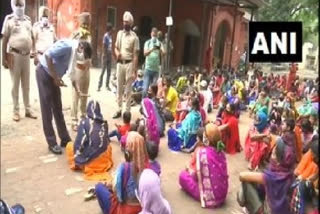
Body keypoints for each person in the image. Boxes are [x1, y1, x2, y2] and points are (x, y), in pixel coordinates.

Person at [36, 39, 92, 154]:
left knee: (57, 107)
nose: (82, 59)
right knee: (47, 109)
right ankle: (51, 142)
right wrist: (55, 78)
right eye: (84, 56)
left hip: (53, 76)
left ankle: (65, 139)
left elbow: (71, 73)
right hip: (44, 73)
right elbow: (47, 56)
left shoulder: (75, 52)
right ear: (81, 47)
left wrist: (77, 89)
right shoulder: (67, 47)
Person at [238, 136, 295, 214]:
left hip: (270, 211)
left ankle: (252, 209)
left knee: (246, 183)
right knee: (259, 182)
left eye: (274, 154)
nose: (271, 154)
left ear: (279, 162)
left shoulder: (272, 176)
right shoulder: (290, 174)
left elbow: (242, 176)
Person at [95, 131, 148, 214]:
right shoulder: (149, 169)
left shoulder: (125, 167)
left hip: (126, 209)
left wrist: (110, 186)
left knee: (99, 187)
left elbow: (117, 192)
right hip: (142, 207)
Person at [2, 0, 37, 121]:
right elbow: (5, 39)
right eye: (16, 4)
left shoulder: (28, 20)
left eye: (21, 4)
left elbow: (32, 36)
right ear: (12, 5)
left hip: (26, 56)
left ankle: (28, 109)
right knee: (15, 84)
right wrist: (3, 58)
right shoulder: (9, 19)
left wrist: (34, 51)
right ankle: (16, 111)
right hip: (14, 55)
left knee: (26, 85)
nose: (19, 7)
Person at [179, 123, 228, 209]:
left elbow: (194, 176)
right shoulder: (221, 151)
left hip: (211, 197)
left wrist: (188, 168)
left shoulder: (202, 153)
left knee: (182, 176)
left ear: (207, 138)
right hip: (223, 194)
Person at [66, 100, 113, 181]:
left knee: (70, 146)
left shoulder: (84, 122)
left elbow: (79, 143)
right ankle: (100, 163)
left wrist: (79, 158)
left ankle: (87, 164)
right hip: (103, 160)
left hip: (91, 162)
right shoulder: (104, 123)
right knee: (108, 147)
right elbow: (106, 141)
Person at [113, 11, 140, 119]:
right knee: (119, 87)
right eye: (124, 22)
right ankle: (118, 109)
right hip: (120, 63)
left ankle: (127, 111)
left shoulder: (135, 37)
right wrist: (117, 53)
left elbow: (135, 55)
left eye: (127, 22)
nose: (125, 24)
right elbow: (116, 47)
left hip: (129, 64)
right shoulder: (120, 34)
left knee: (128, 89)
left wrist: (134, 70)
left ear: (131, 24)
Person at [70, 12, 92, 131]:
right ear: (80, 23)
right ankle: (74, 120)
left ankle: (83, 117)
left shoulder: (89, 36)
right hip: (78, 69)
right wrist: (78, 36)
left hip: (87, 70)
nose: (86, 25)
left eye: (87, 23)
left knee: (84, 94)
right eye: (84, 23)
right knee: (76, 95)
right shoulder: (75, 34)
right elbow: (71, 51)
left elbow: (89, 53)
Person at [143, 27, 163, 97]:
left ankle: (152, 104)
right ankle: (143, 104)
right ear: (151, 34)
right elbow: (145, 53)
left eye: (155, 34)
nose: (154, 36)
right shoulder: (147, 43)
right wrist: (152, 49)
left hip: (156, 70)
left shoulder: (159, 43)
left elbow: (164, 54)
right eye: (153, 34)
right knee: (145, 89)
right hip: (148, 69)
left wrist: (160, 49)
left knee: (154, 90)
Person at [98, 23, 113, 91]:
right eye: (111, 29)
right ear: (109, 29)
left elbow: (110, 46)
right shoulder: (106, 36)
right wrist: (104, 55)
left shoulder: (110, 36)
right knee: (103, 71)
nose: (112, 31)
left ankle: (107, 85)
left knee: (109, 71)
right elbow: (104, 46)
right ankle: (99, 85)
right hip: (105, 55)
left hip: (109, 55)